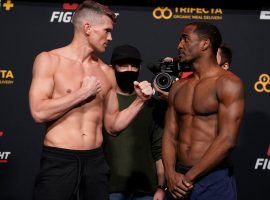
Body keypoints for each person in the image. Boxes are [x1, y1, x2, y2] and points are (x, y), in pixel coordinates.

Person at [29, 1, 153, 200]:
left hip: (95, 162)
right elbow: (39, 112)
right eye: (107, 31)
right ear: (87, 28)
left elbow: (113, 126)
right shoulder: (49, 60)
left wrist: (139, 101)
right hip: (59, 159)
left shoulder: (107, 72)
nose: (110, 37)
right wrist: (82, 93)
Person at [162, 22, 245, 200]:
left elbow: (227, 139)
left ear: (205, 44)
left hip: (213, 179)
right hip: (177, 180)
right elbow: (169, 134)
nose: (179, 45)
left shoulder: (228, 83)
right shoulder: (178, 86)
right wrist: (170, 174)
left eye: (185, 39)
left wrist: (188, 178)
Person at [103, 44, 166, 200]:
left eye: (134, 66)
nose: (129, 70)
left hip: (146, 189)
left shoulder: (151, 104)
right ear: (112, 68)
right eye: (123, 65)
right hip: (109, 188)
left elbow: (158, 149)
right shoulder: (101, 102)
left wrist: (161, 187)